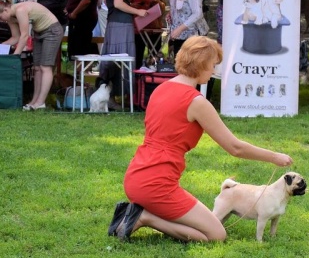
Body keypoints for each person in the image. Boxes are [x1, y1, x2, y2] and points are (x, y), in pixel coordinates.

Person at [112, 36, 293, 242]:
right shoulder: (196, 102)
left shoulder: (161, 88)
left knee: (204, 225)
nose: (214, 71)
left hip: (136, 176)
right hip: (157, 184)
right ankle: (144, 217)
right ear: (201, 64)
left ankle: (141, 212)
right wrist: (274, 157)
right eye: (213, 65)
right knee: (216, 235)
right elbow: (235, 147)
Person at [0, 0, 64, 111]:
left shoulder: (20, 10)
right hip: (39, 32)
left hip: (52, 31)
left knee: (45, 66)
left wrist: (16, 55)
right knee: (37, 68)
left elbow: (24, 36)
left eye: (0, 18)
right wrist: (0, 47)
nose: (1, 21)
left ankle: (41, 102)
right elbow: (16, 37)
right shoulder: (10, 17)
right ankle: (34, 101)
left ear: (5, 10)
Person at [99, 0, 147, 108]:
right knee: (122, 59)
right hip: (122, 22)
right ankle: (117, 96)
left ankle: (108, 94)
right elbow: (119, 2)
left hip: (113, 21)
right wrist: (137, 11)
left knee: (112, 58)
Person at [128, 0, 165, 68]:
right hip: (139, 25)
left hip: (154, 24)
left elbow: (163, 2)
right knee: (138, 53)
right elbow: (127, 4)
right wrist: (139, 5)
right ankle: (137, 76)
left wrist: (157, 3)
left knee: (155, 53)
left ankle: (153, 75)